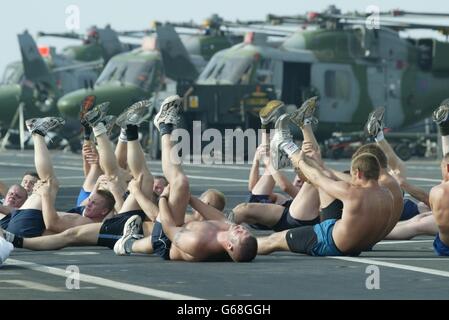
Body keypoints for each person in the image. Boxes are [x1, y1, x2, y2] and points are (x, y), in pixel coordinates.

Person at [114, 96, 258, 262]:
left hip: (166, 241)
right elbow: (220, 218)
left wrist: (163, 198)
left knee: (171, 181)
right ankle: (145, 128)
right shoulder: (229, 231)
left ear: (230, 246)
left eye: (241, 233)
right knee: (180, 183)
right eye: (246, 231)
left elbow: (168, 228)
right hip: (178, 228)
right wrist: (187, 196)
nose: (241, 228)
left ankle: (163, 126)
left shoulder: (197, 243)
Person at [0, 100, 156, 251]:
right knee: (118, 174)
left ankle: (40, 132)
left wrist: (46, 196)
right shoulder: (90, 215)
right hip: (21, 225)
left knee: (51, 183)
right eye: (90, 200)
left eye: (93, 203)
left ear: (104, 212)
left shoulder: (86, 220)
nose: (88, 203)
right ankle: (117, 128)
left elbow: (53, 224)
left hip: (23, 227)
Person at [257, 101, 395, 257]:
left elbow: (317, 178)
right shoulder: (386, 194)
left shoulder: (352, 193)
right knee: (325, 173)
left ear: (359, 173)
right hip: (356, 246)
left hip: (329, 242)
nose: (351, 179)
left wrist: (300, 160)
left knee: (274, 240)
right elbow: (327, 175)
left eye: (352, 175)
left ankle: (285, 144)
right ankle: (299, 129)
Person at [428, 100, 449, 256]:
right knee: (418, 222)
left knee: (417, 223)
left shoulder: (438, 191)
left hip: (445, 245)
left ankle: (444, 127)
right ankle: (444, 126)